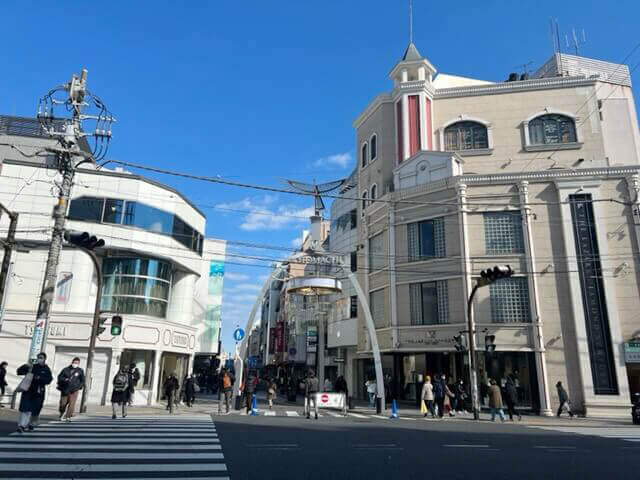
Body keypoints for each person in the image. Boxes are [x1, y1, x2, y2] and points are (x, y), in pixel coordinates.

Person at [16, 352, 53, 433]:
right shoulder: (32, 366)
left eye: (41, 357)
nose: (39, 359)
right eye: (38, 357)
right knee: (25, 408)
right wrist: (26, 366)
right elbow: (19, 372)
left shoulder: (46, 369)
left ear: (44, 359)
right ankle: (21, 425)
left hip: (39, 392)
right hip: (28, 390)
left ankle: (32, 423)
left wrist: (39, 378)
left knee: (35, 410)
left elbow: (49, 380)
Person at [56, 357, 85, 421]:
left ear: (79, 363)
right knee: (63, 403)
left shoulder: (80, 370)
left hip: (74, 390)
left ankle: (68, 416)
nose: (75, 364)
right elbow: (60, 377)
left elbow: (82, 380)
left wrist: (79, 386)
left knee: (72, 403)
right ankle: (61, 412)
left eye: (77, 363)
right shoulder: (65, 369)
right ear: (72, 362)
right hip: (65, 389)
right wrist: (65, 379)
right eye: (74, 362)